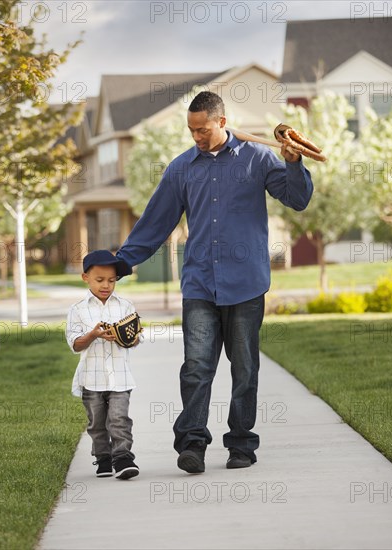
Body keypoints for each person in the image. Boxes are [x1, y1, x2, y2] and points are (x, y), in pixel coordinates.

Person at [117, 91, 314, 473]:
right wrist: (122, 262)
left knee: (244, 370)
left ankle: (241, 445)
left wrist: (294, 163)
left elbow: (298, 199)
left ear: (222, 122)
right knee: (196, 367)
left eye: (202, 129)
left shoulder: (258, 158)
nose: (196, 137)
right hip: (201, 285)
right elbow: (157, 221)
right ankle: (192, 443)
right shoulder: (181, 169)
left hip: (246, 285)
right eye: (191, 131)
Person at [66, 249, 140, 480]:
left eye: (111, 280)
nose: (106, 285)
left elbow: (133, 340)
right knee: (97, 424)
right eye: (99, 280)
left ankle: (123, 458)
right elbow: (76, 344)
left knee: (119, 419)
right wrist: (94, 335)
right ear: (85, 277)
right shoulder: (78, 310)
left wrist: (129, 336)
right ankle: (103, 458)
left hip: (120, 377)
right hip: (91, 378)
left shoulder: (126, 306)